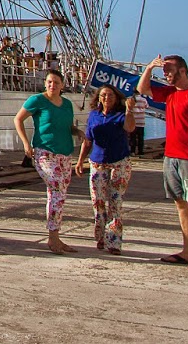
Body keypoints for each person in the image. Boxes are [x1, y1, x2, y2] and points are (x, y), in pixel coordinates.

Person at [138, 54, 188, 271]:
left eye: (169, 70)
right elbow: (143, 89)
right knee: (180, 203)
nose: (167, 74)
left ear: (182, 71)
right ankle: (187, 249)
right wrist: (150, 67)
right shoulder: (170, 93)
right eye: (165, 71)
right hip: (170, 155)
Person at [14, 68, 78, 254]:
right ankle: (53, 238)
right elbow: (18, 119)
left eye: (56, 82)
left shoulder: (66, 104)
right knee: (57, 189)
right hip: (45, 153)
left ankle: (56, 235)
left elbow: (67, 127)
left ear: (62, 85)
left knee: (58, 194)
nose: (52, 85)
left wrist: (78, 132)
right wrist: (27, 144)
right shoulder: (37, 101)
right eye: (49, 82)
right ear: (45, 83)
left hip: (65, 154)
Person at [74, 85, 136, 254]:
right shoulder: (94, 115)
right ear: (98, 98)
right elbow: (88, 140)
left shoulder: (121, 115)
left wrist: (130, 111)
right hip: (97, 163)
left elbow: (130, 128)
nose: (106, 98)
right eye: (103, 95)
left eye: (110, 95)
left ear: (116, 98)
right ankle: (101, 237)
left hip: (119, 163)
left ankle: (114, 242)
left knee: (115, 203)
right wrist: (80, 161)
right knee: (98, 202)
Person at [128, 87, 148, 158]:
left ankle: (132, 151)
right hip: (141, 122)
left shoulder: (130, 99)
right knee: (140, 138)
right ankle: (140, 151)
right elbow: (147, 106)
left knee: (132, 138)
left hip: (133, 121)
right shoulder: (143, 100)